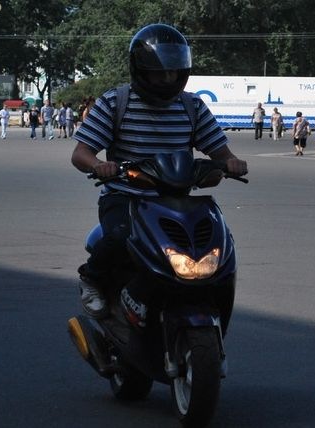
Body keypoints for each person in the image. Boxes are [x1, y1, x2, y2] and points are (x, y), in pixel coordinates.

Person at [71, 23, 248, 318]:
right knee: (119, 237)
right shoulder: (115, 102)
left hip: (178, 199)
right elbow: (81, 154)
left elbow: (221, 153)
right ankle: (91, 279)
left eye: (173, 72)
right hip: (127, 196)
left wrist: (231, 162)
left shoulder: (192, 106)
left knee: (216, 243)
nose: (167, 79)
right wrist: (99, 165)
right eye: (159, 72)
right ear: (140, 70)